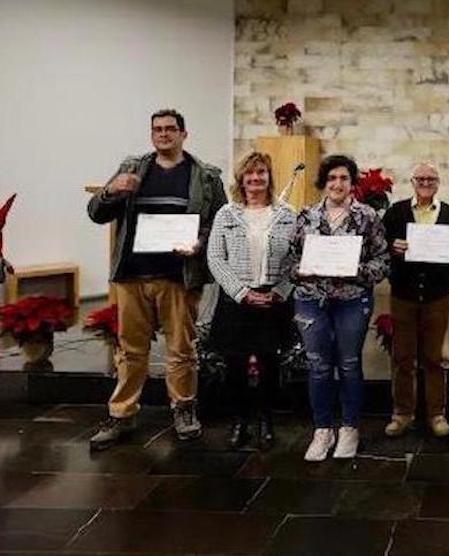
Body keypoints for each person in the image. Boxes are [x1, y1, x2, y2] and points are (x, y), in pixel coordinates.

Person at [86, 108, 227, 450]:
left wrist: (199, 243)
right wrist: (111, 191)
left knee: (181, 350)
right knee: (130, 350)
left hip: (177, 276)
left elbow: (221, 222)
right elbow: (95, 213)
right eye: (157, 130)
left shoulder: (205, 176)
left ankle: (183, 409)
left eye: (170, 129)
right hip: (133, 275)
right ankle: (122, 414)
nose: (163, 134)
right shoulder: (132, 169)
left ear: (184, 134)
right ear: (152, 135)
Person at [290, 154, 389, 462]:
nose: (337, 184)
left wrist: (355, 270)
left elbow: (382, 262)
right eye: (332, 178)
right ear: (323, 181)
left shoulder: (367, 216)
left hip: (351, 299)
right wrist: (301, 271)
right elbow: (290, 262)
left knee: (348, 363)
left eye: (344, 178)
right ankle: (322, 429)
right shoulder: (306, 216)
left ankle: (349, 427)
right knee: (318, 366)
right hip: (311, 299)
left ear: (352, 183)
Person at [206, 151, 297, 450]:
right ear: (241, 179)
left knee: (270, 364)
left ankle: (266, 421)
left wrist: (281, 291)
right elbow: (216, 258)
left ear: (269, 178)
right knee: (235, 365)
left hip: (273, 299)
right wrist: (242, 293)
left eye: (262, 173)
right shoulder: (226, 214)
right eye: (250, 174)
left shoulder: (286, 215)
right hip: (237, 301)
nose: (256, 179)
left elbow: (296, 259)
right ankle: (240, 421)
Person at [381, 163, 449, 438]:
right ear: (412, 181)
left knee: (433, 358)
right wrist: (393, 246)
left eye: (431, 179)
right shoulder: (396, 212)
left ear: (438, 183)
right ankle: (402, 414)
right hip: (403, 294)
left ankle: (436, 414)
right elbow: (381, 246)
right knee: (403, 357)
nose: (426, 183)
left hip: (437, 295)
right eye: (421, 178)